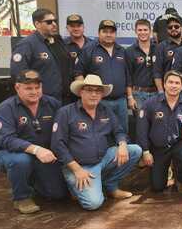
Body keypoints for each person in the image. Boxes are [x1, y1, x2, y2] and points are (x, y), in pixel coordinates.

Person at [52, 74, 142, 210]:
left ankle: (110, 185)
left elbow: (119, 131)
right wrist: (77, 169)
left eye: (98, 91)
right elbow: (57, 145)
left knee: (135, 150)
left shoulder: (105, 110)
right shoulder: (65, 113)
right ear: (81, 92)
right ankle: (74, 187)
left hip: (102, 159)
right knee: (93, 204)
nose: (94, 94)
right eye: (89, 90)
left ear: (102, 94)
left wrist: (122, 144)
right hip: (79, 166)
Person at [0, 70, 67, 214]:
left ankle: (34, 180)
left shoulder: (52, 104)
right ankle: (21, 197)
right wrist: (36, 150)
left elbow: (64, 130)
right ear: (17, 87)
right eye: (28, 88)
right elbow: (7, 139)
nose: (34, 92)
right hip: (10, 153)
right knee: (21, 161)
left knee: (57, 194)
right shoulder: (5, 108)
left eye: (37, 87)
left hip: (44, 155)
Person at [137, 71, 182, 194]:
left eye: (177, 83)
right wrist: (146, 151)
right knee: (158, 187)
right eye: (170, 82)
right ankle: (164, 171)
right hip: (158, 147)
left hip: (178, 144)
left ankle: (180, 180)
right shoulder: (150, 103)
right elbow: (141, 129)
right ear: (164, 84)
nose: (173, 86)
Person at [74, 20, 131, 133]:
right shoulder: (88, 49)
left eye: (111, 32)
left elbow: (127, 75)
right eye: (105, 31)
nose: (108, 34)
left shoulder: (122, 51)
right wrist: (84, 96)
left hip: (121, 101)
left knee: (123, 133)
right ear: (99, 33)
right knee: (102, 133)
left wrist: (129, 97)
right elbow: (78, 73)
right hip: (99, 101)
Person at [11, 8, 69, 102]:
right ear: (37, 24)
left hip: (64, 99)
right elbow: (18, 74)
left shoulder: (58, 42)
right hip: (42, 101)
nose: (54, 24)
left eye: (55, 21)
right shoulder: (27, 44)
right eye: (49, 22)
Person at [125, 19, 157, 110]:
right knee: (140, 123)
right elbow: (128, 76)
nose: (143, 32)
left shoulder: (158, 49)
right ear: (135, 31)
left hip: (156, 94)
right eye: (140, 30)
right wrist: (130, 97)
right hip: (138, 94)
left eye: (145, 30)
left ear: (150, 31)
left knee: (157, 123)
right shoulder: (129, 51)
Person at [154, 15, 182, 92]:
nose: (173, 29)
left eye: (176, 26)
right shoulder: (161, 47)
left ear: (181, 28)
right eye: (170, 27)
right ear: (167, 30)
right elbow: (157, 72)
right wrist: (161, 92)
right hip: (169, 90)